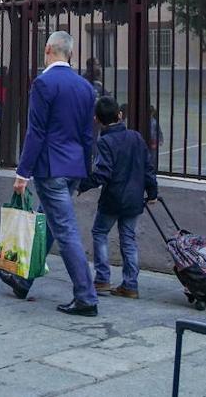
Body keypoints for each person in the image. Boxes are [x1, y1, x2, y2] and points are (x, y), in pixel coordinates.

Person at [13, 30, 100, 317]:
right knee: (48, 222)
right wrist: (86, 170)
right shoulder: (86, 87)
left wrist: (23, 173)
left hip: (50, 167)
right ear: (71, 53)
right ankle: (23, 279)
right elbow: (89, 134)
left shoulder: (43, 83)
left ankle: (86, 296)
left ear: (48, 49)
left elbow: (36, 131)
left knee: (64, 230)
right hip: (74, 167)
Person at [79, 97, 158, 299]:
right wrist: (152, 192)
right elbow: (148, 167)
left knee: (99, 232)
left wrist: (83, 184)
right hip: (134, 199)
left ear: (97, 119)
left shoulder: (104, 142)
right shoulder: (136, 137)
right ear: (120, 115)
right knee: (129, 239)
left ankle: (103, 279)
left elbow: (102, 173)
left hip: (113, 198)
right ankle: (131, 284)